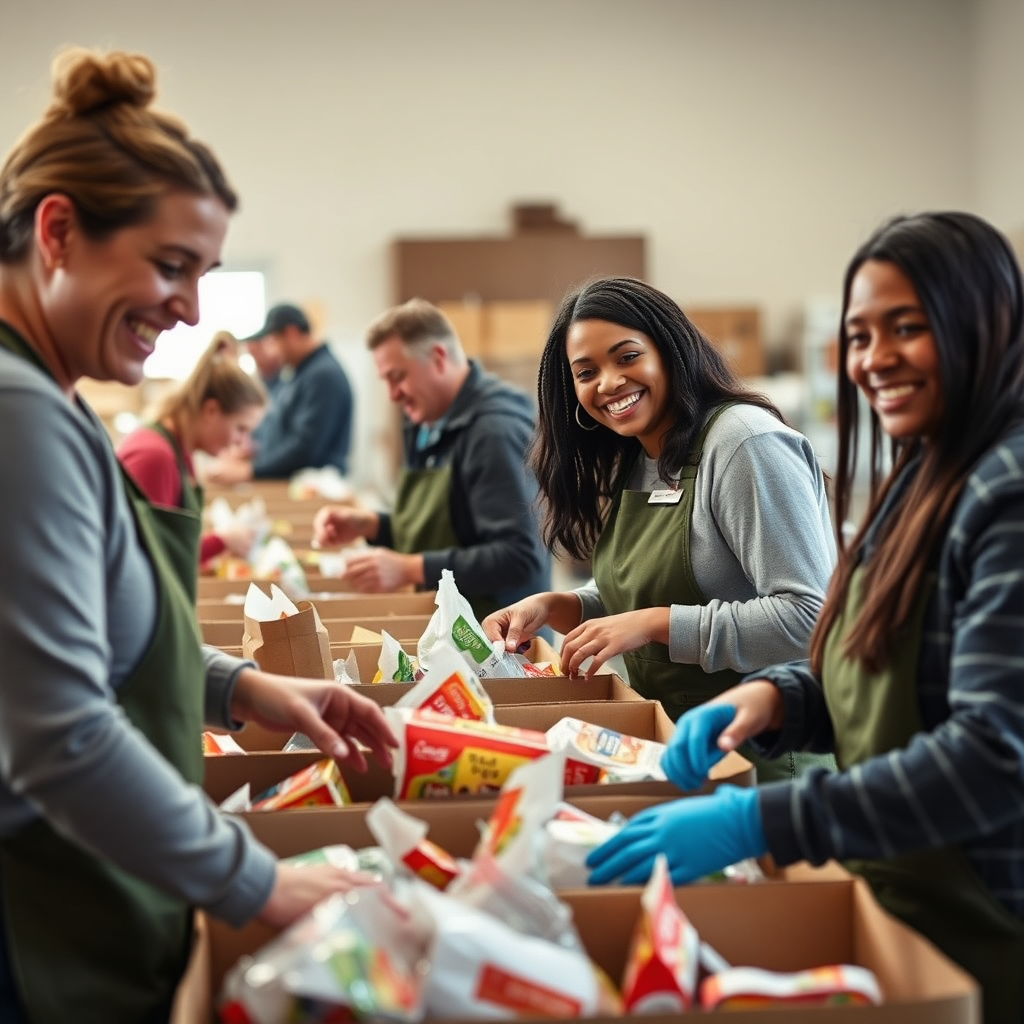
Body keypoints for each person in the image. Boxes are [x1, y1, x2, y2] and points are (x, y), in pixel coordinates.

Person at [0, 47, 397, 1024]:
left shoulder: (51, 401)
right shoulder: (22, 416)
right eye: (170, 266)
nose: (189, 308)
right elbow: (58, 729)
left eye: (204, 275)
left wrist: (241, 685)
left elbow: (83, 628)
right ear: (59, 231)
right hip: (34, 918)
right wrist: (252, 881)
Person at [586, 213, 1024, 1023]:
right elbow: (882, 664)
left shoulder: (1006, 495)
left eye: (907, 328)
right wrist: (780, 701)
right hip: (899, 883)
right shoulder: (922, 472)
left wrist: (763, 816)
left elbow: (995, 757)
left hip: (986, 916)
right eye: (859, 336)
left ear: (985, 324)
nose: (874, 359)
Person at [480, 277, 837, 782]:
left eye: (626, 357)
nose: (608, 383)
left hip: (765, 763)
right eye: (587, 372)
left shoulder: (744, 444)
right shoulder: (641, 455)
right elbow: (639, 589)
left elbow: (808, 619)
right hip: (683, 750)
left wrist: (652, 624)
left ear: (670, 348)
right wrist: (556, 606)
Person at [312, 298, 551, 620]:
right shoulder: (425, 418)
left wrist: (408, 569)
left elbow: (519, 559)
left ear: (438, 358)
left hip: (497, 644)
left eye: (398, 377)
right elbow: (446, 529)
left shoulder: (493, 431)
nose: (392, 394)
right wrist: (371, 525)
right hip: (447, 628)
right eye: (385, 380)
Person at [117, 330, 268, 569]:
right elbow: (149, 555)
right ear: (211, 411)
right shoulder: (154, 457)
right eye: (241, 428)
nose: (243, 443)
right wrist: (220, 541)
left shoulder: (179, 452)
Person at [205, 302, 353, 481]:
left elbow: (305, 448)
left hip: (313, 487)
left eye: (273, 341)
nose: (271, 351)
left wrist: (251, 471)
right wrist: (255, 452)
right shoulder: (302, 373)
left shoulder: (322, 375)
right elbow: (286, 435)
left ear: (291, 333)